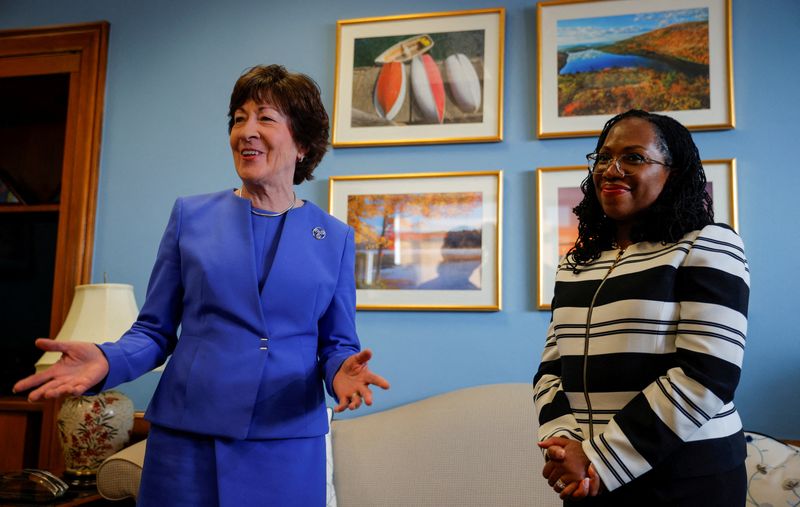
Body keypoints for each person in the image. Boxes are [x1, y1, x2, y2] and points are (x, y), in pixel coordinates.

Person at [14, 64, 390, 506]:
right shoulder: (189, 218)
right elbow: (154, 331)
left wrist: (341, 370)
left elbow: (337, 343)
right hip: (187, 441)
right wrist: (106, 360)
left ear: (303, 143)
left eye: (265, 118)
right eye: (238, 118)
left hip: (285, 442)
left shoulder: (336, 238)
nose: (246, 131)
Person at [532, 109, 749, 506]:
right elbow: (550, 370)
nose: (611, 169)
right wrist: (565, 445)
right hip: (587, 477)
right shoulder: (576, 263)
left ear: (674, 172)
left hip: (687, 478)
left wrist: (599, 458)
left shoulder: (707, 243)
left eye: (634, 157)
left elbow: (707, 375)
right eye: (603, 157)